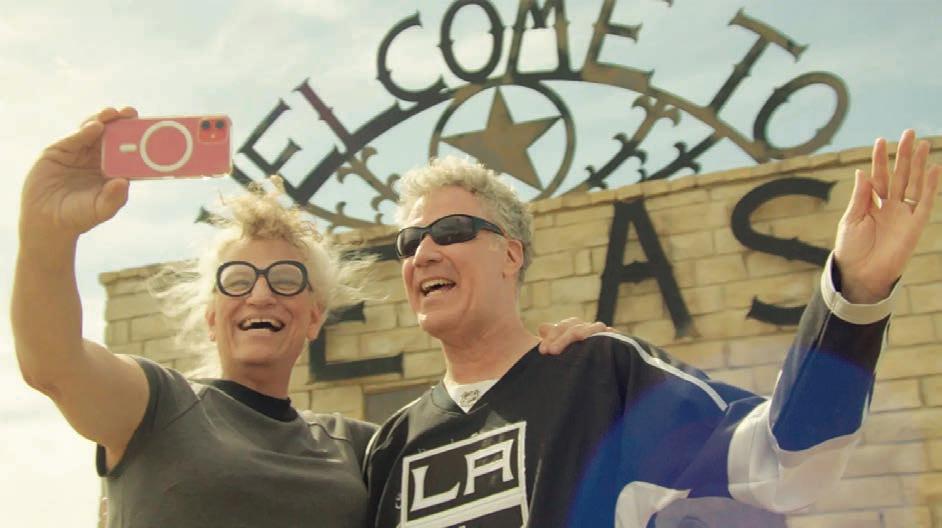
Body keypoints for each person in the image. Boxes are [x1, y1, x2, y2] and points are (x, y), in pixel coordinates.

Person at [11, 107, 602, 527]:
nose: (261, 295)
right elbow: (52, 364)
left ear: (314, 318)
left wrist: (563, 360)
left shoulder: (365, 448)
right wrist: (46, 233)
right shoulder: (155, 406)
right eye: (237, 280)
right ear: (212, 315)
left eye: (286, 279)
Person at [364, 134, 940, 527]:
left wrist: (854, 295)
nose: (425, 254)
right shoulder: (390, 446)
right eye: (409, 243)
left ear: (510, 255)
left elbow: (779, 458)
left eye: (452, 230)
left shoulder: (601, 377)